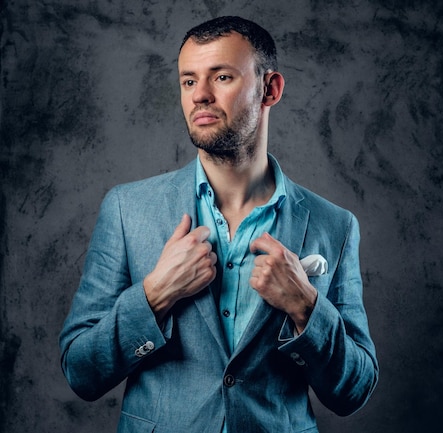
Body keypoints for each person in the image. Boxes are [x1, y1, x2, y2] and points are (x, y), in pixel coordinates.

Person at [59, 16, 378, 432]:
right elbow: (81, 372)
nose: (200, 96)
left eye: (222, 76)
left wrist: (307, 308)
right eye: (188, 81)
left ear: (271, 89)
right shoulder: (126, 209)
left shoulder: (334, 225)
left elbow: (354, 391)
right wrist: (155, 295)